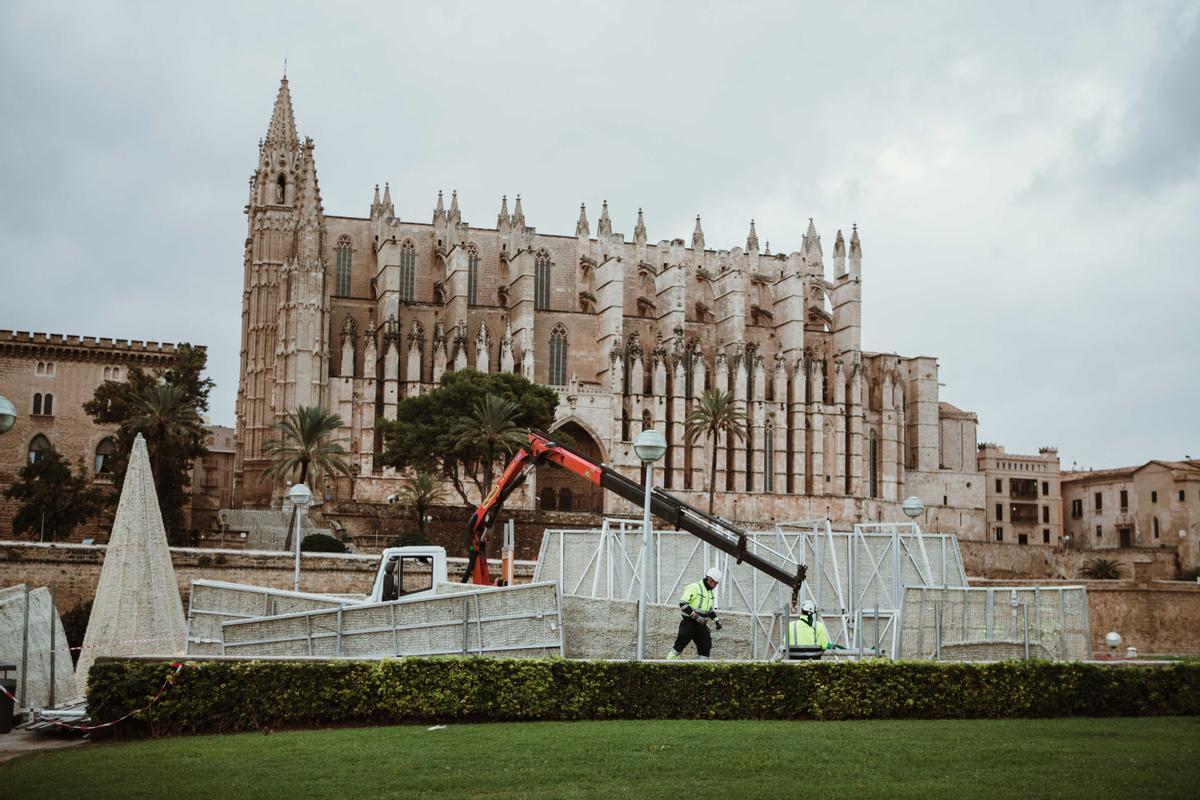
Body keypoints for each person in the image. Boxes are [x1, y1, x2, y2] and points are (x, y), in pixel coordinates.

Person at [666, 567, 722, 660]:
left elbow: (709, 610)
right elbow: (683, 603)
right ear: (709, 579)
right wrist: (696, 617)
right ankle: (668, 663)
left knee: (706, 646)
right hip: (689, 624)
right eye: (714, 583)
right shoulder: (695, 587)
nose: (715, 585)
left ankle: (702, 667)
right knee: (679, 645)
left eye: (716, 583)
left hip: (701, 625)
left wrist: (717, 621)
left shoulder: (710, 592)